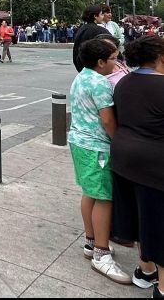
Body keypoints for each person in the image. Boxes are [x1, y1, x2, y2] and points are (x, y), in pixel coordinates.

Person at [68, 39, 131, 284]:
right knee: (104, 198)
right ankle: (101, 253)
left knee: (90, 193)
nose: (117, 63)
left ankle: (91, 241)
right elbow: (108, 120)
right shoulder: (100, 84)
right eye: (114, 58)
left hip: (79, 142)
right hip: (97, 147)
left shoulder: (82, 76)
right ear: (101, 62)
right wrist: (118, 141)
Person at [111, 36, 164, 294]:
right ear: (160, 57)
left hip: (123, 159)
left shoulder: (124, 82)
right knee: (159, 222)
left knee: (142, 218)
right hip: (154, 165)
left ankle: (146, 268)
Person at [73, 5, 113, 72]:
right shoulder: (100, 30)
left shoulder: (81, 29)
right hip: (95, 67)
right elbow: (112, 45)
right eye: (101, 14)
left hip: (81, 65)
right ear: (95, 16)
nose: (103, 16)